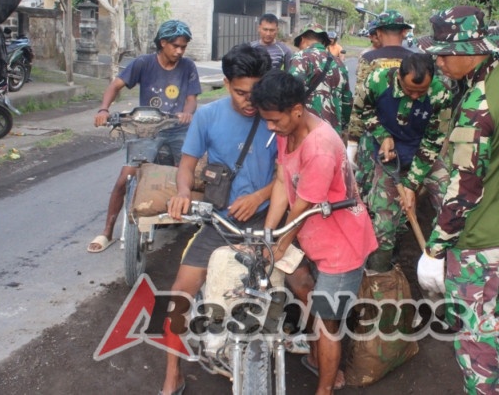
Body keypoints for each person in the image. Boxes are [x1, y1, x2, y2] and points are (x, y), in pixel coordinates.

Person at [416, 6, 499, 395]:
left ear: (474, 49)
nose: (439, 61)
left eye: (445, 54)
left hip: (481, 241)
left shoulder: (477, 108)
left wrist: (434, 250)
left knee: (473, 333)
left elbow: (465, 189)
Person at [251, 70, 378, 395]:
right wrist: (268, 235)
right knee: (302, 284)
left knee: (326, 324)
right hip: (312, 235)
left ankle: (325, 388)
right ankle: (315, 356)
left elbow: (304, 207)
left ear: (296, 109)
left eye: (274, 120)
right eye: (266, 119)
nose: (270, 126)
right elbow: (282, 181)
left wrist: (280, 244)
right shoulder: (286, 129)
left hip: (341, 245)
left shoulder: (320, 148)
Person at [159, 43, 276, 395]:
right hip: (220, 223)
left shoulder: (276, 116)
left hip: (265, 220)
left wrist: (259, 196)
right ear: (226, 83)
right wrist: (182, 192)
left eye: (256, 91)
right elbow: (187, 164)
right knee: (180, 294)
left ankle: (317, 358)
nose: (249, 100)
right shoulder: (208, 116)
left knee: (303, 285)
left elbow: (290, 175)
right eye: (241, 92)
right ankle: (172, 374)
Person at [88, 20, 200, 253]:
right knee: (125, 177)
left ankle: (193, 221)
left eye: (183, 47)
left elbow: (191, 99)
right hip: (147, 129)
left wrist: (187, 114)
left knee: (187, 173)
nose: (180, 51)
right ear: (163, 43)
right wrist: (103, 110)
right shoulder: (143, 63)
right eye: (176, 46)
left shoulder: (188, 67)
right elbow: (115, 86)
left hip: (177, 128)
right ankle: (107, 232)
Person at [354, 53, 452, 272]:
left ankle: (447, 266)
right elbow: (363, 109)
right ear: (399, 76)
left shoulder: (441, 94)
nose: (415, 97)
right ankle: (379, 276)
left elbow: (433, 141)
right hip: (388, 154)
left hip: (422, 150)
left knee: (450, 203)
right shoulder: (378, 81)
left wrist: (411, 184)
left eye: (421, 92)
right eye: (409, 91)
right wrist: (382, 135)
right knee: (384, 225)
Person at [347, 10, 414, 198]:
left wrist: (353, 139)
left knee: (366, 181)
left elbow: (360, 101)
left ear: (379, 33)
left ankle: (366, 218)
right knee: (400, 181)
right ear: (403, 33)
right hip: (407, 132)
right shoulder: (413, 60)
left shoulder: (369, 59)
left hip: (374, 132)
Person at [289, 23, 353, 136]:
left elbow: (290, 94)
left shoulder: (301, 57)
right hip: (333, 133)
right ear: (324, 42)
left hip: (307, 133)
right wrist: (343, 127)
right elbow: (347, 101)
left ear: (303, 39)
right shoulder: (340, 64)